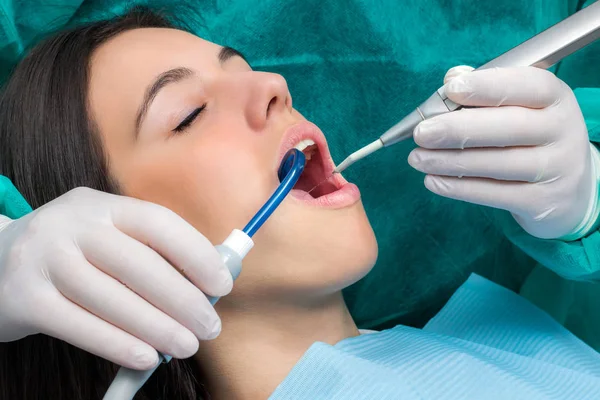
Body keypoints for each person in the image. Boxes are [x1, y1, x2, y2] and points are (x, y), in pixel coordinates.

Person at [1, 8, 600, 399]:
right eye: (188, 114)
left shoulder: (503, 341)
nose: (272, 86)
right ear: (102, 248)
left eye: (245, 69)